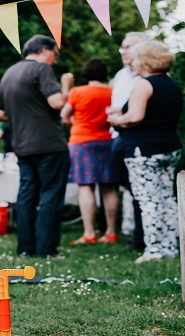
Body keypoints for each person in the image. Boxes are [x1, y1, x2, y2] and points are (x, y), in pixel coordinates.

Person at [0, 34, 73, 257]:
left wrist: (24, 115)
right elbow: (57, 102)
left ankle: (25, 248)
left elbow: (0, 114)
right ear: (45, 50)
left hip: (21, 145)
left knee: (27, 195)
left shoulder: (9, 73)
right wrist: (66, 86)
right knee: (51, 194)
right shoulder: (41, 69)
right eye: (55, 55)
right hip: (48, 143)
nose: (55, 61)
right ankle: (46, 250)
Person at [107, 40, 183, 264]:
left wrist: (117, 120)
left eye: (136, 57)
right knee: (166, 199)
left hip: (144, 150)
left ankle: (153, 250)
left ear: (146, 60)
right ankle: (169, 247)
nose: (133, 61)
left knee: (148, 200)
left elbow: (135, 117)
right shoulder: (170, 84)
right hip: (169, 147)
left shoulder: (144, 83)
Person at [60, 59, 120, 245]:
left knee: (86, 186)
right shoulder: (112, 92)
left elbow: (64, 115)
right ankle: (110, 233)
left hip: (82, 142)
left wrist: (75, 122)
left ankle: (89, 233)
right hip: (106, 141)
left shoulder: (77, 92)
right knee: (109, 187)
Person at [108, 32, 150, 251]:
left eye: (128, 47)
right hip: (118, 137)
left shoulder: (150, 77)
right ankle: (138, 234)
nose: (123, 51)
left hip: (138, 138)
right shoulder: (121, 75)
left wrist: (119, 114)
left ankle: (141, 238)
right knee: (131, 189)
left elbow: (138, 112)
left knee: (141, 190)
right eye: (122, 47)